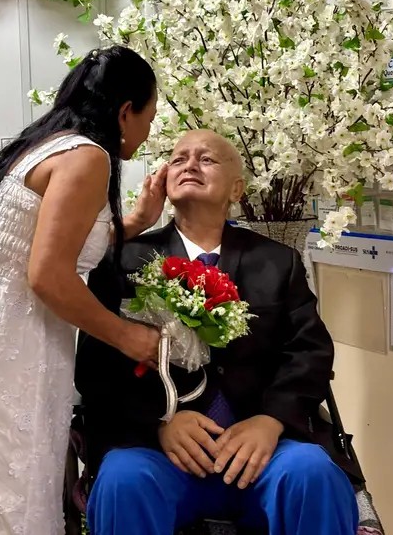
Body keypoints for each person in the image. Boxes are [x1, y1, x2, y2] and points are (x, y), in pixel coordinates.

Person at [0, 46, 167, 535]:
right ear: (126, 111)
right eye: (149, 118)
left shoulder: (49, 143)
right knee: (4, 489)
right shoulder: (89, 157)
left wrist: (138, 220)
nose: (146, 134)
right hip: (4, 334)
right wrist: (126, 336)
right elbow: (48, 276)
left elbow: (49, 242)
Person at [76, 129, 363, 535]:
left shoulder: (277, 262)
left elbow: (309, 354)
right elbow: (94, 367)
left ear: (237, 189)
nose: (190, 165)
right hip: (158, 451)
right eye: (178, 159)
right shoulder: (124, 261)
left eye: (206, 159)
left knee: (312, 472)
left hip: (264, 454)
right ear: (162, 181)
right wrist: (159, 421)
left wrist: (270, 421)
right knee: (123, 479)